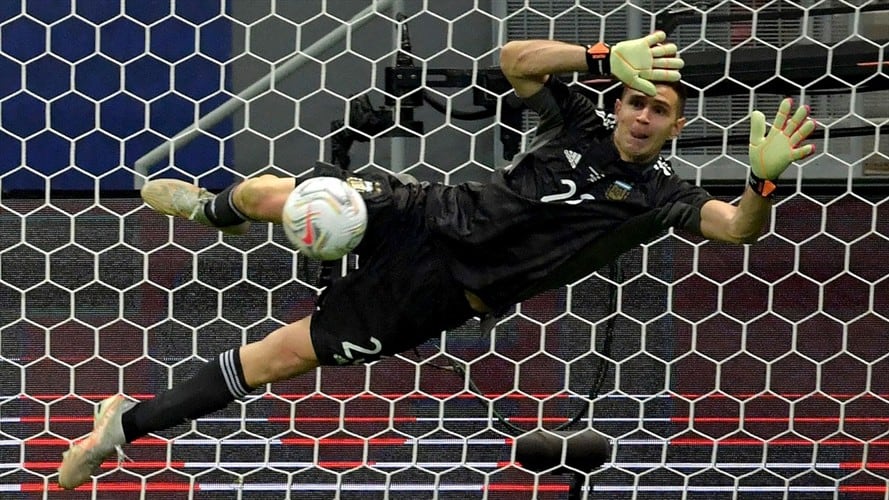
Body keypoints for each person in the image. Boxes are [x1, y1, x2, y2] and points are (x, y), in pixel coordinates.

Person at [58, 31, 816, 489]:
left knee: (276, 359)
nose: (642, 115)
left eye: (659, 110)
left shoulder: (659, 195)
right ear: (617, 100)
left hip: (444, 294)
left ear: (676, 127)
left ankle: (121, 429)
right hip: (428, 214)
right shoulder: (579, 119)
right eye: (635, 100)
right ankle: (214, 211)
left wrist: (764, 181)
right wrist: (594, 53)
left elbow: (735, 228)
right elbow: (516, 62)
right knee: (281, 196)